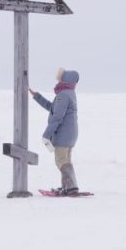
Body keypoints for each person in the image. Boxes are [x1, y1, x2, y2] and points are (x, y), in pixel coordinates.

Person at [30, 68, 81, 196]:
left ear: (66, 79)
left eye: (61, 77)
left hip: (63, 134)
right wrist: (37, 96)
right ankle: (67, 187)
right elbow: (52, 108)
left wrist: (46, 135)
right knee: (65, 160)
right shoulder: (69, 93)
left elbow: (57, 117)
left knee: (61, 161)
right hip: (71, 134)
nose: (58, 79)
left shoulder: (63, 95)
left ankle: (71, 187)